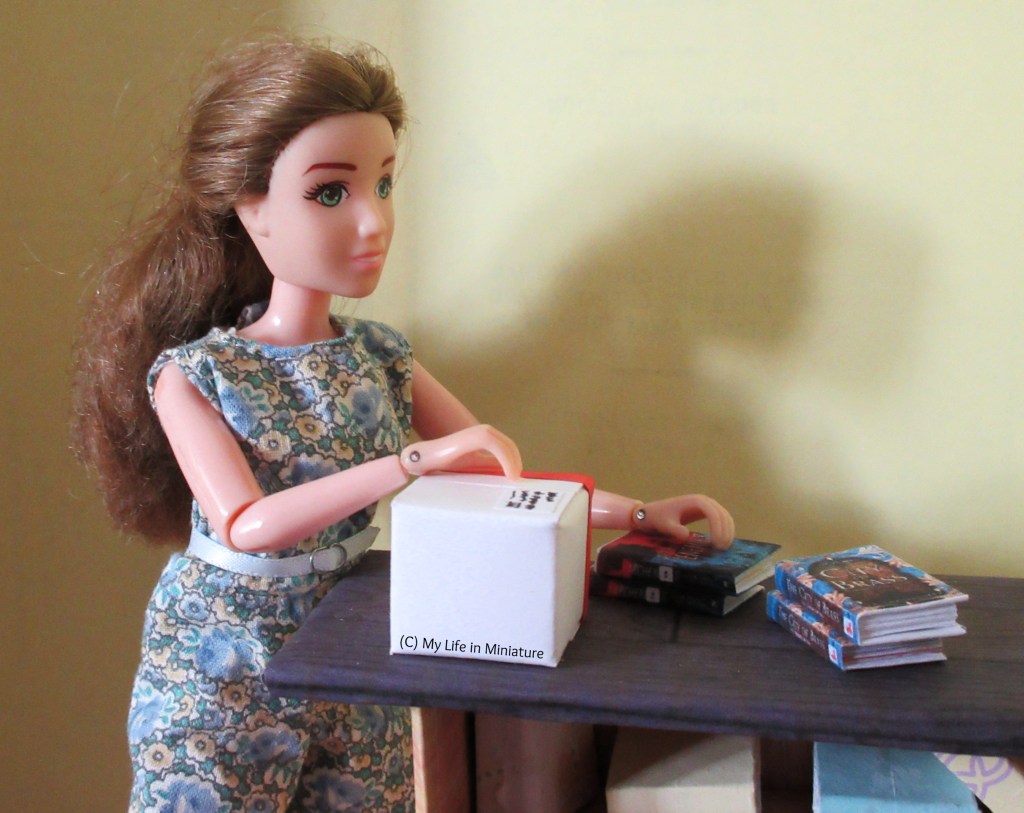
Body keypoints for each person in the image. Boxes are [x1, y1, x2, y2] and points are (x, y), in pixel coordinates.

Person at [72, 35, 734, 812]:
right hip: (222, 664)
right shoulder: (196, 374)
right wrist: (413, 463)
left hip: (360, 649)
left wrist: (638, 515)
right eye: (330, 193)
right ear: (249, 206)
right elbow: (248, 522)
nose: (372, 221)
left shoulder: (382, 356)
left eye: (383, 186)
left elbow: (500, 477)